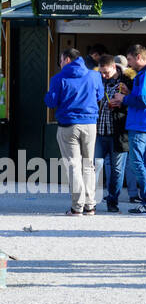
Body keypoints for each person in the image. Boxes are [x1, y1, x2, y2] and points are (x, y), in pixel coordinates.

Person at [45, 48, 105, 216]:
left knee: (74, 165)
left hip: (68, 124)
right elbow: (100, 95)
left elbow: (51, 101)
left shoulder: (58, 78)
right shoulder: (94, 75)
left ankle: (77, 207)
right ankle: (90, 205)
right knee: (88, 165)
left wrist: (48, 95)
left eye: (61, 60)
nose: (60, 63)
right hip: (90, 124)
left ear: (68, 60)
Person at [119, 44, 146, 214]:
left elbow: (144, 101)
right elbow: (143, 98)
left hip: (141, 123)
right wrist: (129, 93)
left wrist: (124, 98)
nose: (128, 64)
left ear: (138, 57)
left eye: (129, 59)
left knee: (137, 163)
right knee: (139, 162)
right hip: (142, 123)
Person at [94, 55, 129, 213]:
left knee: (116, 170)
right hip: (100, 132)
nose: (103, 75)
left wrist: (123, 103)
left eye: (106, 72)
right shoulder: (98, 81)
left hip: (118, 132)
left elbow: (136, 103)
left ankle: (113, 201)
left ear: (114, 68)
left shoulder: (127, 81)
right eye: (101, 72)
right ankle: (90, 201)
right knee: (94, 167)